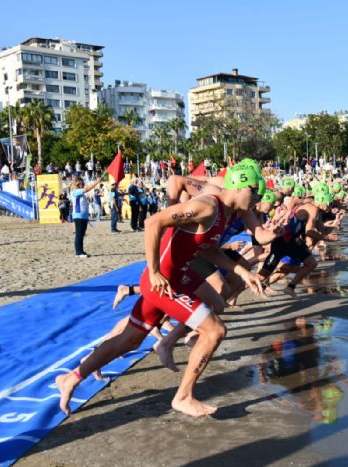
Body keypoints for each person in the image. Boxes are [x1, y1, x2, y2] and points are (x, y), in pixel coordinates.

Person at [55, 165, 265, 418]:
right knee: (214, 330)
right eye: (254, 192)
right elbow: (153, 221)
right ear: (240, 185)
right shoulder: (208, 205)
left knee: (129, 339)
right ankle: (184, 396)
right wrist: (154, 271)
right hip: (164, 282)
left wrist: (242, 272)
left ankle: (71, 377)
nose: (256, 199)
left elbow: (208, 248)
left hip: (177, 278)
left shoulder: (226, 214)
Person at [70, 176, 102, 257]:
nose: (83, 185)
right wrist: (96, 182)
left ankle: (81, 251)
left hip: (83, 216)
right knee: (79, 234)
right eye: (81, 183)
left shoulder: (80, 192)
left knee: (81, 234)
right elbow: (87, 189)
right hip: (79, 216)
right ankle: (78, 252)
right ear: (78, 184)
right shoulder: (75, 191)